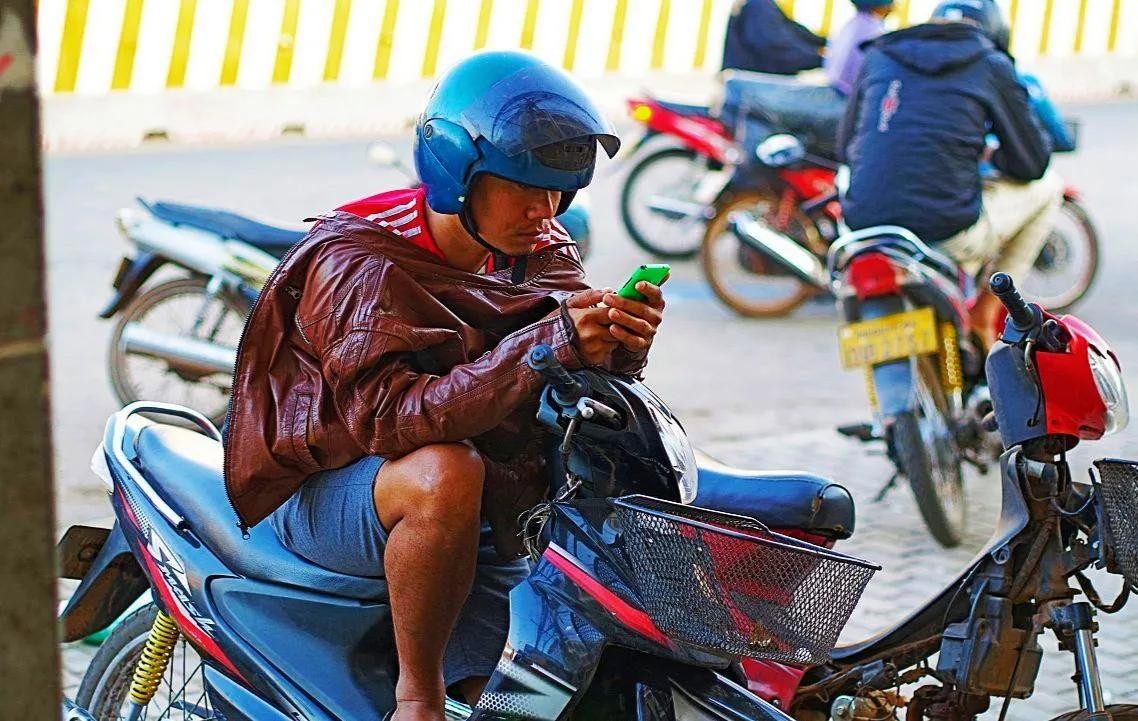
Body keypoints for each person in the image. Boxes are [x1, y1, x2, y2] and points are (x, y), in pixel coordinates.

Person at [222, 51, 667, 721]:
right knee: (445, 471)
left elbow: (565, 377)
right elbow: (391, 422)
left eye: (556, 191)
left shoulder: (539, 246)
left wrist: (619, 342)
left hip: (485, 492)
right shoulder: (360, 263)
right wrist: (549, 343)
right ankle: (417, 696)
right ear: (459, 175)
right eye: (521, 187)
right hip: (330, 484)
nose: (543, 209)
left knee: (534, 695)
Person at [838, 0, 1061, 347]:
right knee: (1050, 187)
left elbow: (845, 147)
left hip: (863, 227)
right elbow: (1032, 165)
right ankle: (987, 310)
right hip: (948, 230)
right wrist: (990, 156)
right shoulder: (991, 64)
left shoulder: (880, 54)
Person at [721, 0, 827, 76]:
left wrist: (824, 45)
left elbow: (796, 32)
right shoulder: (759, 5)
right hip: (752, 85)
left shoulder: (763, 5)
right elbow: (776, 47)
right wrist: (819, 56)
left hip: (749, 81)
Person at [824, 0, 894, 96]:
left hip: (835, 84)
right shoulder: (872, 29)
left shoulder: (852, 23)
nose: (893, 7)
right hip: (848, 93)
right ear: (879, 6)